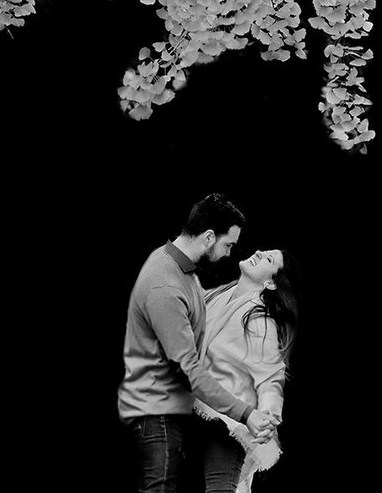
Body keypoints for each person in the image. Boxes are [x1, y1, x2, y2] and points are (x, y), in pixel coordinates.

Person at [118, 194, 278, 493]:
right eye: (228, 244)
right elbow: (188, 369)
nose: (230, 254)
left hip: (176, 412)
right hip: (156, 411)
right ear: (208, 237)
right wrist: (246, 412)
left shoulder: (184, 274)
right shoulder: (166, 283)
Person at [195, 248, 303, 493]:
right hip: (199, 411)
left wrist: (268, 414)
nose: (258, 252)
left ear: (271, 283)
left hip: (231, 425)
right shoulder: (220, 294)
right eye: (264, 251)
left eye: (268, 258)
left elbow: (271, 373)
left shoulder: (260, 320)